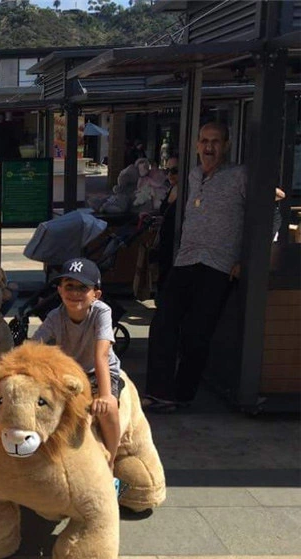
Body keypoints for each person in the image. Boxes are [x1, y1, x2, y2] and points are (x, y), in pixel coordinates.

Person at [145, 122, 246, 412]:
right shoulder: (192, 175)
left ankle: (182, 394)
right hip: (186, 259)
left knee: (197, 333)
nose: (209, 147)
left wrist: (246, 260)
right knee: (163, 323)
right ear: (197, 145)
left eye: (215, 141)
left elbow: (270, 216)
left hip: (219, 264)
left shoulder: (241, 176)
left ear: (226, 144)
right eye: (204, 141)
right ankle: (159, 392)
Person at [33, 258, 121, 469]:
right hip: (69, 375)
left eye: (82, 287)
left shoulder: (102, 312)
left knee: (108, 410)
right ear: (60, 290)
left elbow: (101, 355)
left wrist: (106, 395)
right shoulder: (55, 316)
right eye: (69, 286)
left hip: (96, 372)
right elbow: (31, 347)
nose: (74, 293)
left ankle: (111, 461)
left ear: (96, 294)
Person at [156, 156, 179, 294]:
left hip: (176, 244)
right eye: (167, 170)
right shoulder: (171, 189)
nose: (170, 174)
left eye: (174, 170)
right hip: (165, 242)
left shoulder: (187, 191)